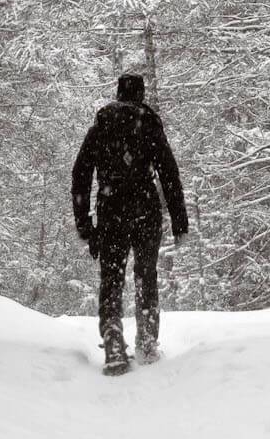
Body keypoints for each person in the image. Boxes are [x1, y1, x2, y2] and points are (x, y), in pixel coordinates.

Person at [72, 73, 188, 375]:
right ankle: (147, 342)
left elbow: (80, 175)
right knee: (145, 276)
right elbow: (170, 175)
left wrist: (83, 224)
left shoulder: (101, 127)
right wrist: (179, 223)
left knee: (111, 279)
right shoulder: (149, 124)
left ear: (118, 93)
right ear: (141, 94)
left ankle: (113, 345)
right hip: (145, 210)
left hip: (111, 211)